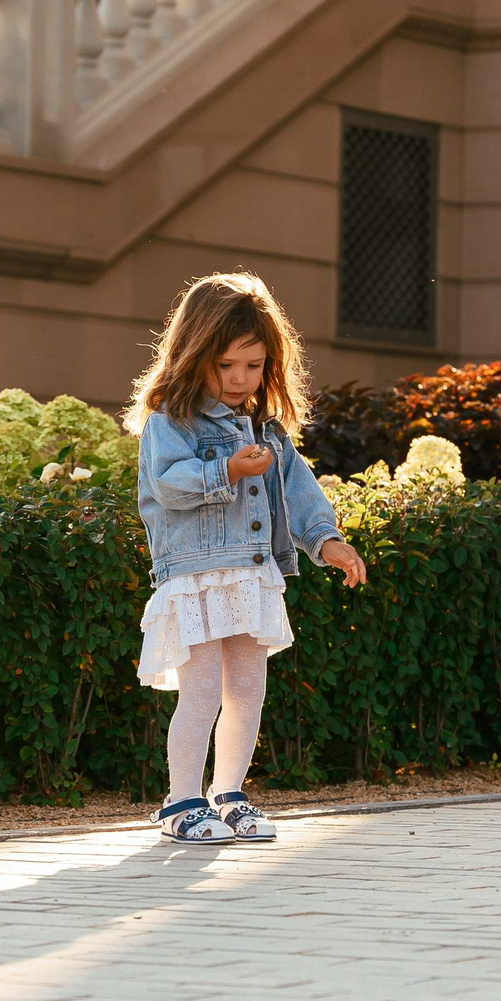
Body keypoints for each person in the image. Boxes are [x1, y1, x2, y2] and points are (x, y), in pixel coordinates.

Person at [125, 273, 367, 843]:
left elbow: (299, 492)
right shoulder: (170, 422)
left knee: (247, 690)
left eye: (254, 366)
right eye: (227, 364)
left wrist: (327, 541)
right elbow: (167, 485)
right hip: (196, 576)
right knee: (202, 690)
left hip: (252, 575)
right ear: (194, 355)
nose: (240, 379)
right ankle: (181, 802)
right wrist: (229, 469)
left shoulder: (266, 431)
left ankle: (228, 794)